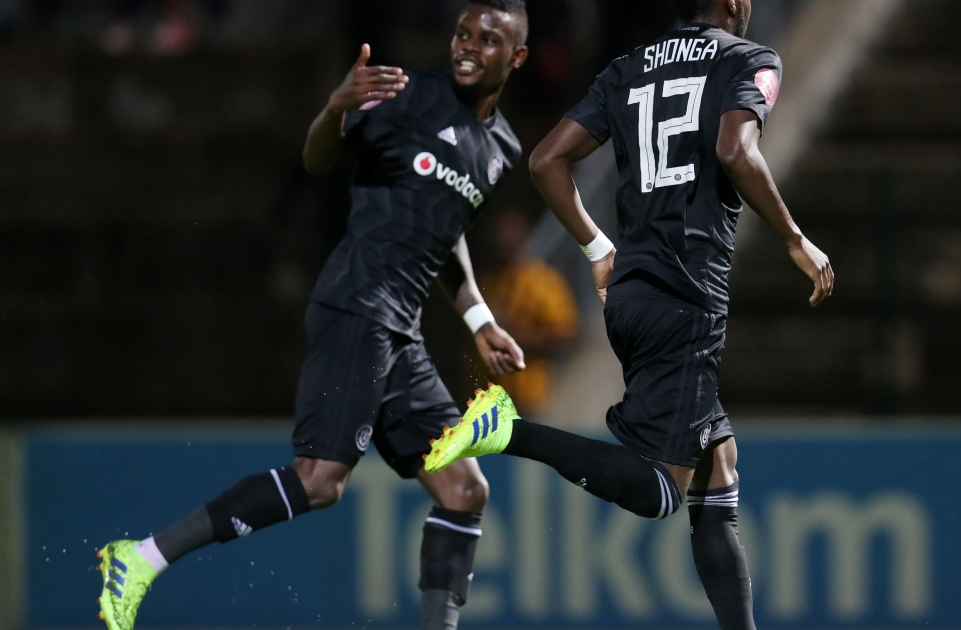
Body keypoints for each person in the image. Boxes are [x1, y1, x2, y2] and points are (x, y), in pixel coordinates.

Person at [96, 2, 530, 629]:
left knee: (464, 490)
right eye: (463, 33)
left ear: (517, 56)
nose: (468, 46)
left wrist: (480, 320)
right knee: (321, 480)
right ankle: (140, 558)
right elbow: (318, 159)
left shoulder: (503, 146)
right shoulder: (408, 95)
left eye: (487, 39)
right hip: (359, 303)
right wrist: (334, 108)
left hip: (401, 330)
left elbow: (446, 230)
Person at [423, 1, 833, 629]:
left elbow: (546, 160)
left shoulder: (630, 67)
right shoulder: (748, 59)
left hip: (631, 291)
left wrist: (596, 248)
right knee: (662, 490)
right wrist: (794, 238)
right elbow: (735, 148)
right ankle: (507, 430)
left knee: (716, 464)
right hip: (687, 295)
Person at [477, 208, 578, 416]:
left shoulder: (542, 280)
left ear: (524, 236)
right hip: (485, 401)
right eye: (498, 235)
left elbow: (566, 336)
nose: (503, 241)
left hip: (529, 399)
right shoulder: (484, 284)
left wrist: (516, 337)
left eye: (510, 234)